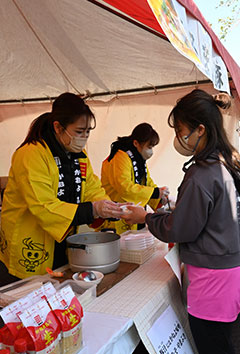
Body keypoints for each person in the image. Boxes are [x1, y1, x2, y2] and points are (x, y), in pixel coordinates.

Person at [122, 89, 240, 354]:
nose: (177, 139)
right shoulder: (227, 162)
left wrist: (146, 217)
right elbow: (216, 213)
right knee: (223, 340)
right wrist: (182, 206)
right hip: (230, 273)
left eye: (180, 131)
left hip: (211, 282)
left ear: (200, 130)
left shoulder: (202, 174)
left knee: (214, 345)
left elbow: (180, 228)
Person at [0, 92, 124, 285]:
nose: (84, 138)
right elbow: (43, 205)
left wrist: (108, 207)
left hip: (63, 240)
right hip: (30, 240)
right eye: (79, 131)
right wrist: (92, 209)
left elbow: (91, 187)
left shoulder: (78, 155)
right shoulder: (31, 154)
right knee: (28, 299)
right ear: (58, 127)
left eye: (87, 132)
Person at [100, 123, 169, 234]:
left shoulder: (138, 158)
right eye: (149, 147)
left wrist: (160, 198)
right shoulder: (120, 157)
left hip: (135, 215)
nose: (151, 151)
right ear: (136, 143)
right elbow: (124, 187)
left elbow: (147, 183)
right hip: (117, 216)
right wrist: (155, 193)